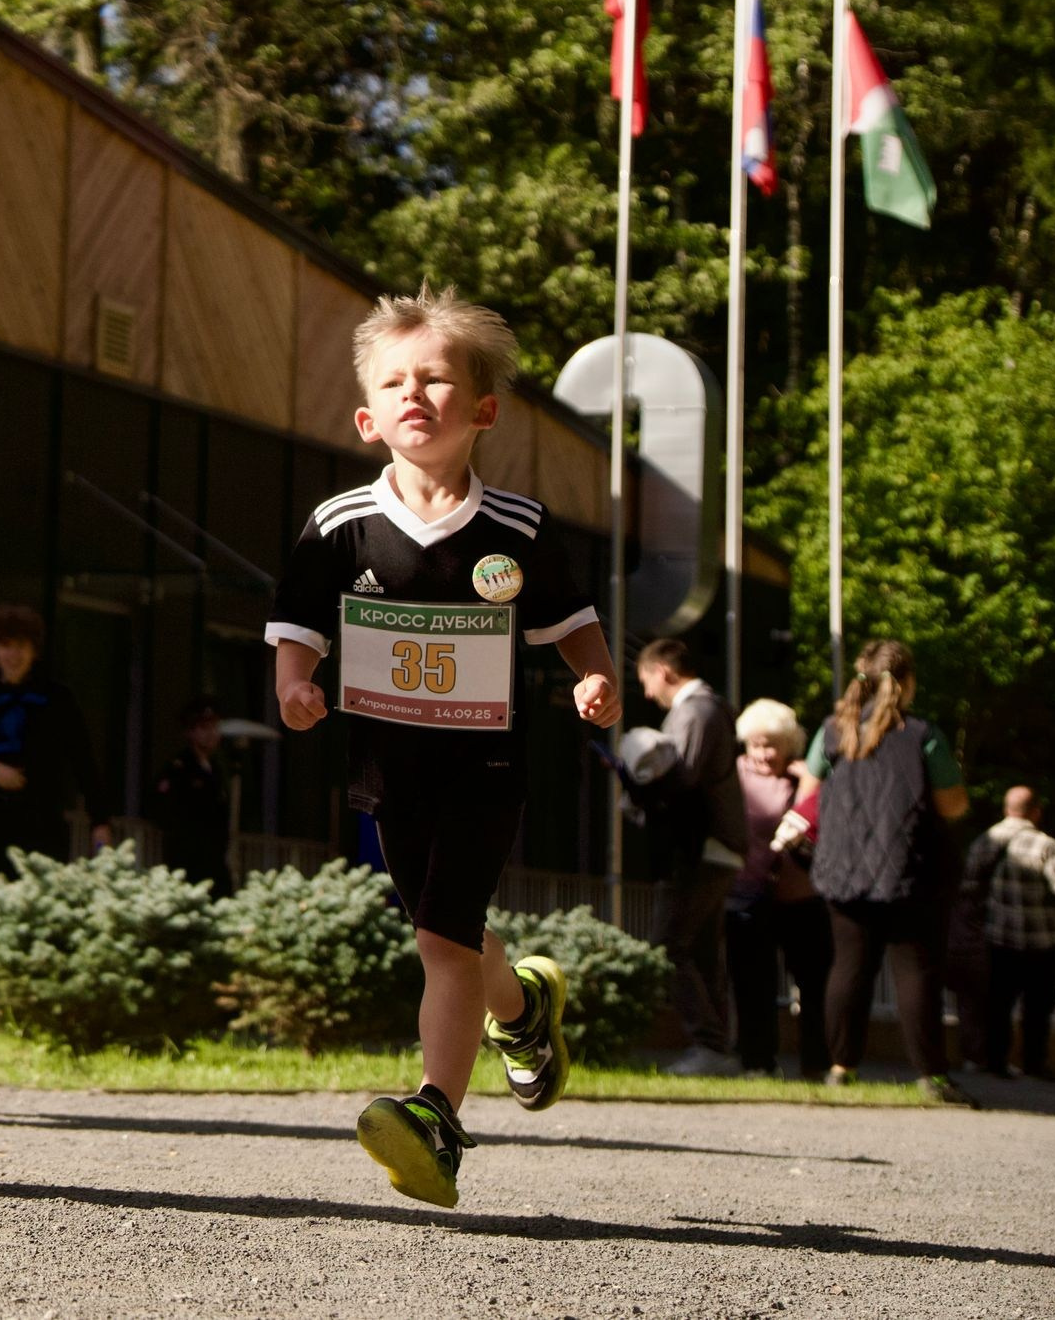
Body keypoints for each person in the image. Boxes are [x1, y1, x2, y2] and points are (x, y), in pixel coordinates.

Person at [268, 285, 620, 1210]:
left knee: (439, 937)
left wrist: (593, 676)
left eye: (435, 379)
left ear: (485, 410)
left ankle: (437, 1120)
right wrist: (295, 687)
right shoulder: (339, 526)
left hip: (487, 765)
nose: (414, 394)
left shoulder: (521, 531)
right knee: (451, 934)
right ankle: (525, 1008)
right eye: (394, 383)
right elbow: (297, 627)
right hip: (387, 769)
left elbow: (574, 624)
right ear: (367, 415)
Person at [804, 638, 972, 1103]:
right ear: (908, 682)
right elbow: (953, 804)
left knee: (848, 968)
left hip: (842, 868)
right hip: (908, 872)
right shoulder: (923, 735)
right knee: (916, 973)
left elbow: (808, 791)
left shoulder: (832, 732)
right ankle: (931, 1076)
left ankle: (841, 1068)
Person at [622, 638, 748, 1075]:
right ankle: (718, 1049)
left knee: (668, 947)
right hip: (717, 849)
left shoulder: (696, 711)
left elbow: (681, 782)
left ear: (663, 671)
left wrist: (636, 790)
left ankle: (710, 1045)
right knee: (703, 952)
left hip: (700, 850)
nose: (647, 693)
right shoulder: (710, 709)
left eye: (645, 681)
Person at [0, 605, 109, 878]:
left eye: (21, 646)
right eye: (5, 646)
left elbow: (83, 758)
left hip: (44, 821)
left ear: (34, 650)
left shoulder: (57, 697)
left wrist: (100, 819)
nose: (13, 655)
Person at [724, 698, 832, 1078]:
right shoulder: (734, 774)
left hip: (801, 897)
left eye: (772, 744)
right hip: (747, 896)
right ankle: (757, 1062)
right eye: (756, 744)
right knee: (753, 985)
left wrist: (807, 781)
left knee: (814, 985)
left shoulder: (805, 779)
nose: (764, 753)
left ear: (789, 745)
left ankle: (817, 1065)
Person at [964, 785, 1055, 1078]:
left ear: (1007, 809)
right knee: (1038, 1008)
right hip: (1041, 940)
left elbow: (969, 886)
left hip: (997, 938)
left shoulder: (986, 840)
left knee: (998, 1004)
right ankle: (1033, 1063)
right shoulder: (1047, 846)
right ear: (1036, 812)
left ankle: (995, 1062)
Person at [152, 695, 234, 893]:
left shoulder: (216, 770)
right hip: (187, 860)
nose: (211, 734)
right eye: (204, 728)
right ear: (190, 731)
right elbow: (164, 811)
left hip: (214, 861)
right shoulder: (179, 769)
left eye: (215, 727)